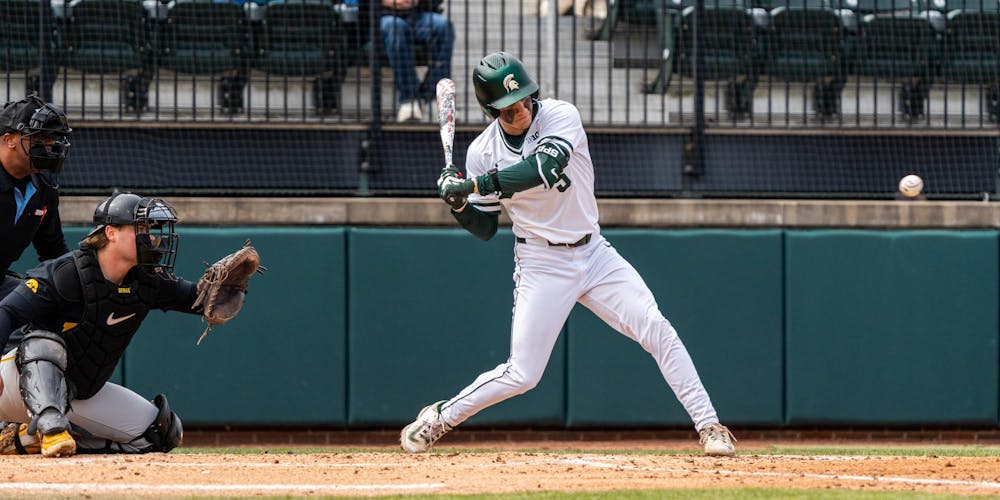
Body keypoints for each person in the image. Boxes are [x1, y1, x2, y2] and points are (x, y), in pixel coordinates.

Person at [403, 51, 737, 457]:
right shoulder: (481, 152)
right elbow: (486, 228)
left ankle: (710, 426)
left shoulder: (561, 115)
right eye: (510, 107)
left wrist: (472, 186)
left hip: (594, 252)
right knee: (523, 374)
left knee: (656, 327)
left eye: (525, 99)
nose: (522, 110)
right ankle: (440, 417)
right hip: (541, 263)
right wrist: (458, 202)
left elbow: (543, 168)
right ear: (492, 109)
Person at [0, 193, 198, 457]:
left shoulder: (150, 281)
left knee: (159, 433)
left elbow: (203, 301)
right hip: (16, 385)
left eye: (152, 229)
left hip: (80, 391)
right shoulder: (66, 273)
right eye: (141, 228)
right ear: (111, 232)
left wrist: (232, 288)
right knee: (43, 343)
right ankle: (48, 427)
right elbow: (7, 311)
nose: (152, 236)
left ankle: (23, 439)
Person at [0, 94, 72, 300]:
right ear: (9, 140)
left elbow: (54, 249)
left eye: (51, 138)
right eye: (40, 137)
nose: (49, 145)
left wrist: (82, 282)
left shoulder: (45, 189)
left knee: (51, 303)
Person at [359, 0, 455, 122]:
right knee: (395, 27)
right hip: (382, 17)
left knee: (444, 26)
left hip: (417, 15)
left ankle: (431, 97)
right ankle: (409, 99)